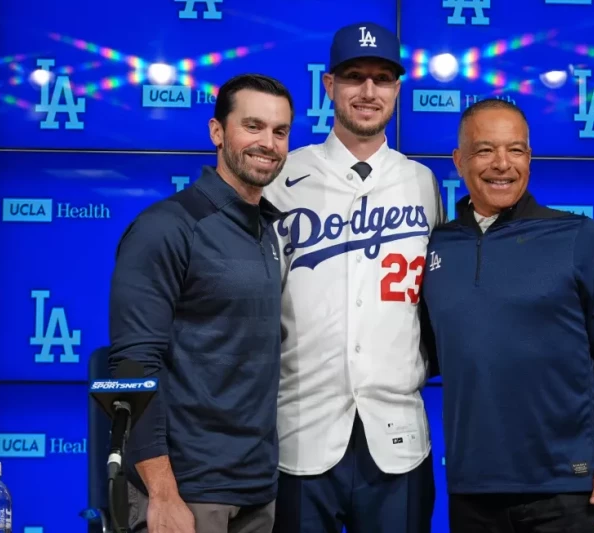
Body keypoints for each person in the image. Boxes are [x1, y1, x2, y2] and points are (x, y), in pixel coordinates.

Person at [420, 98, 594, 533]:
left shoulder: (579, 237)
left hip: (571, 488)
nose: (502, 164)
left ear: (529, 156)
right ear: (459, 160)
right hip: (471, 491)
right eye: (485, 150)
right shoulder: (435, 246)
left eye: (516, 150)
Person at [263, 21, 442, 533]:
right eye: (354, 77)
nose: (368, 91)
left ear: (396, 89)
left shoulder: (422, 183)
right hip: (300, 432)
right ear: (329, 86)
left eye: (382, 78)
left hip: (399, 436)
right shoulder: (281, 178)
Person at [108, 73, 294, 533]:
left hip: (257, 485)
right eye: (253, 126)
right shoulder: (167, 227)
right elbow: (133, 369)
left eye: (280, 131)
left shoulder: (267, 230)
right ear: (217, 132)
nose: (267, 143)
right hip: (187, 492)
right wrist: (163, 493)